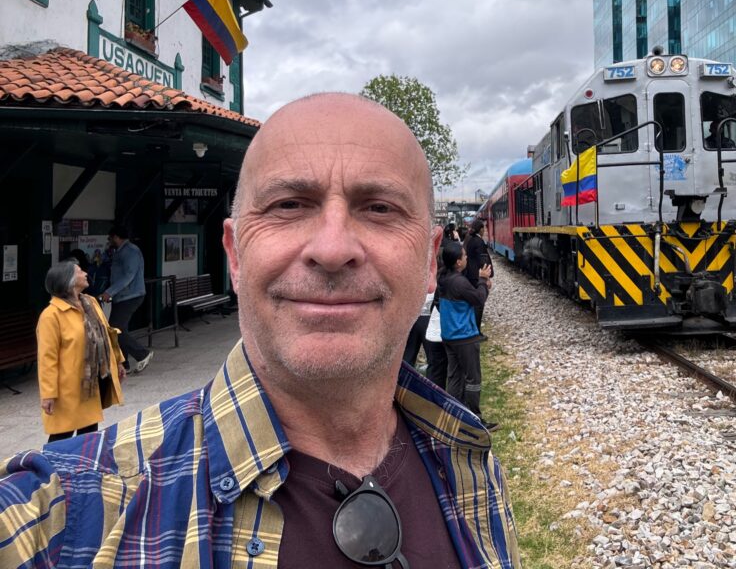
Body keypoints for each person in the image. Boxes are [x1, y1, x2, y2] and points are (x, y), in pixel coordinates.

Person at [0, 93, 521, 569]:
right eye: (288, 206)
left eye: (379, 209)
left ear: (430, 262)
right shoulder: (68, 512)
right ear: (235, 254)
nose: (333, 248)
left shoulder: (469, 463)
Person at [36, 260, 125, 442]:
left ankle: (84, 467)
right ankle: (53, 468)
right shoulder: (51, 315)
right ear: (68, 281)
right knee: (62, 436)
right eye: (79, 271)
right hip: (68, 387)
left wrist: (118, 361)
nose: (85, 273)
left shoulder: (90, 302)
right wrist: (48, 394)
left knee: (89, 432)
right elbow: (47, 359)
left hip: (91, 382)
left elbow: (107, 334)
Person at [436, 241, 496, 430]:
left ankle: (455, 415)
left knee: (454, 377)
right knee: (473, 379)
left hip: (449, 335)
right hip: (464, 336)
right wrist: (483, 281)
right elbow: (478, 299)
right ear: (458, 262)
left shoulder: (443, 278)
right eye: (464, 255)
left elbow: (438, 303)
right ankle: (475, 419)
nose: (466, 256)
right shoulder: (459, 282)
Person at [99, 225, 153, 374]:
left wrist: (109, 292)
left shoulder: (130, 251)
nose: (109, 241)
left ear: (116, 237)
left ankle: (142, 353)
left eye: (110, 238)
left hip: (130, 295)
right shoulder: (121, 251)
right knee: (120, 329)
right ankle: (124, 364)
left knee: (115, 329)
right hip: (122, 296)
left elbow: (128, 276)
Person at [462, 218, 493, 330]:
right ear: (480, 229)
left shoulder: (470, 239)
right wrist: (486, 278)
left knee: (475, 302)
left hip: (471, 273)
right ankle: (476, 330)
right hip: (477, 275)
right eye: (483, 228)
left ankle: (474, 328)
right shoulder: (479, 242)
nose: (484, 230)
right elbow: (482, 261)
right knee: (479, 303)